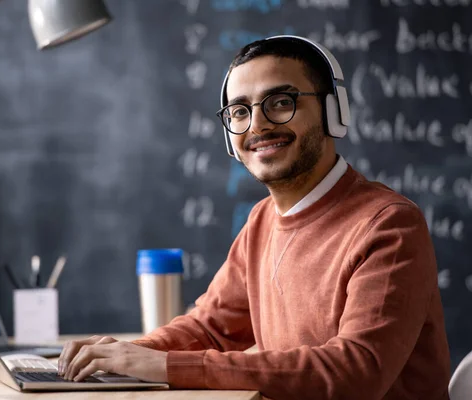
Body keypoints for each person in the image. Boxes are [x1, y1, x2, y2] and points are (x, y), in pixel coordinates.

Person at [57, 36, 451, 399]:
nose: (257, 125)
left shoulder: (389, 224)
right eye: (239, 111)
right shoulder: (261, 221)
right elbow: (211, 328)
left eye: (281, 102)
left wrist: (164, 365)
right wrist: (119, 355)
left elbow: (356, 372)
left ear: (333, 112)